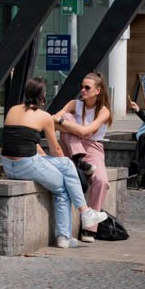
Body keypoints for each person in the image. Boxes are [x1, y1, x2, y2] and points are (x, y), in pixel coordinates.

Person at [0, 77, 108, 249]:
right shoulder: (43, 116)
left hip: (8, 164)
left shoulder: (12, 110)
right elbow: (56, 149)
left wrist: (48, 162)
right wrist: (60, 165)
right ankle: (66, 234)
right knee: (62, 186)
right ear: (43, 96)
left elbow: (24, 140)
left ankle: (86, 213)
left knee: (65, 165)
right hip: (26, 164)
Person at [53, 71, 112, 243]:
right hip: (72, 145)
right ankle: (79, 161)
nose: (83, 90)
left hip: (94, 147)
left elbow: (86, 132)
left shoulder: (104, 111)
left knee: (102, 181)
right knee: (66, 116)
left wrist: (65, 125)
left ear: (98, 91)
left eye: (87, 87)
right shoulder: (74, 104)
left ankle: (89, 228)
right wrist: (68, 124)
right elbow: (53, 120)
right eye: (81, 86)